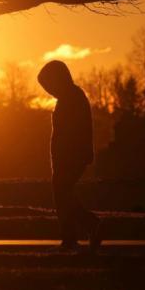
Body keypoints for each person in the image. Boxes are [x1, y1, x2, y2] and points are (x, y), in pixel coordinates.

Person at [37, 60, 102, 251]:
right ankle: (74, 233)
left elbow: (73, 132)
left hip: (72, 157)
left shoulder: (72, 98)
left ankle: (82, 229)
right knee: (64, 195)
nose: (48, 90)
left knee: (63, 194)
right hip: (66, 157)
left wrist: (72, 156)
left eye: (49, 85)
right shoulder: (69, 97)